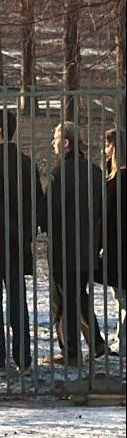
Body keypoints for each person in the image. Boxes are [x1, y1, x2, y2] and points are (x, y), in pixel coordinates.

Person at [0, 109, 43, 371]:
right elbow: (38, 203)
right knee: (18, 301)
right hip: (19, 243)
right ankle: (23, 358)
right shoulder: (27, 164)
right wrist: (25, 234)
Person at [42, 121, 106, 366]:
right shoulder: (95, 172)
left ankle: (70, 351)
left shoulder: (58, 174)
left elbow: (50, 212)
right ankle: (97, 342)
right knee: (79, 293)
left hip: (63, 247)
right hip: (88, 246)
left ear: (66, 143)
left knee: (63, 300)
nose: (53, 143)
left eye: (56, 138)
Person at [99, 129, 125, 355]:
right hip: (116, 243)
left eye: (106, 146)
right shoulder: (113, 175)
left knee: (123, 297)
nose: (103, 150)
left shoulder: (119, 178)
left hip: (119, 244)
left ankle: (123, 341)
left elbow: (108, 213)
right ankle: (121, 339)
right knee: (120, 296)